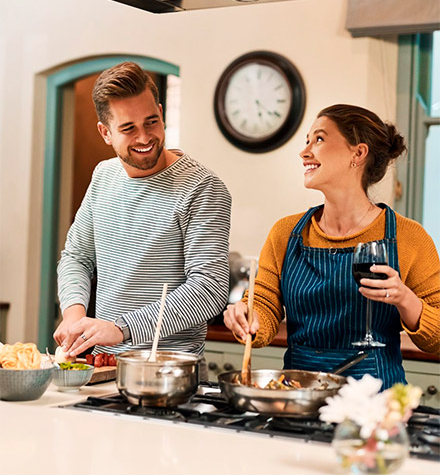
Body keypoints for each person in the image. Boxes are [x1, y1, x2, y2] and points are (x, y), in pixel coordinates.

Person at [223, 104, 440, 389]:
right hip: (300, 397)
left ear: (358, 153)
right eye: (307, 141)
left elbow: (436, 340)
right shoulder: (286, 233)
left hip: (373, 406)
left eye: (320, 139)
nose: (305, 152)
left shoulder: (409, 236)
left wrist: (403, 298)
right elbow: (263, 307)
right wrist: (246, 317)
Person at [54, 61, 231, 370]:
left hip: (171, 371)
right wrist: (74, 316)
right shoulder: (103, 176)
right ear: (105, 133)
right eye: (128, 128)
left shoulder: (202, 188)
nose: (144, 137)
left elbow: (209, 289)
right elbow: (77, 257)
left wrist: (122, 328)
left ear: (161, 113)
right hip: (104, 367)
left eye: (151, 122)